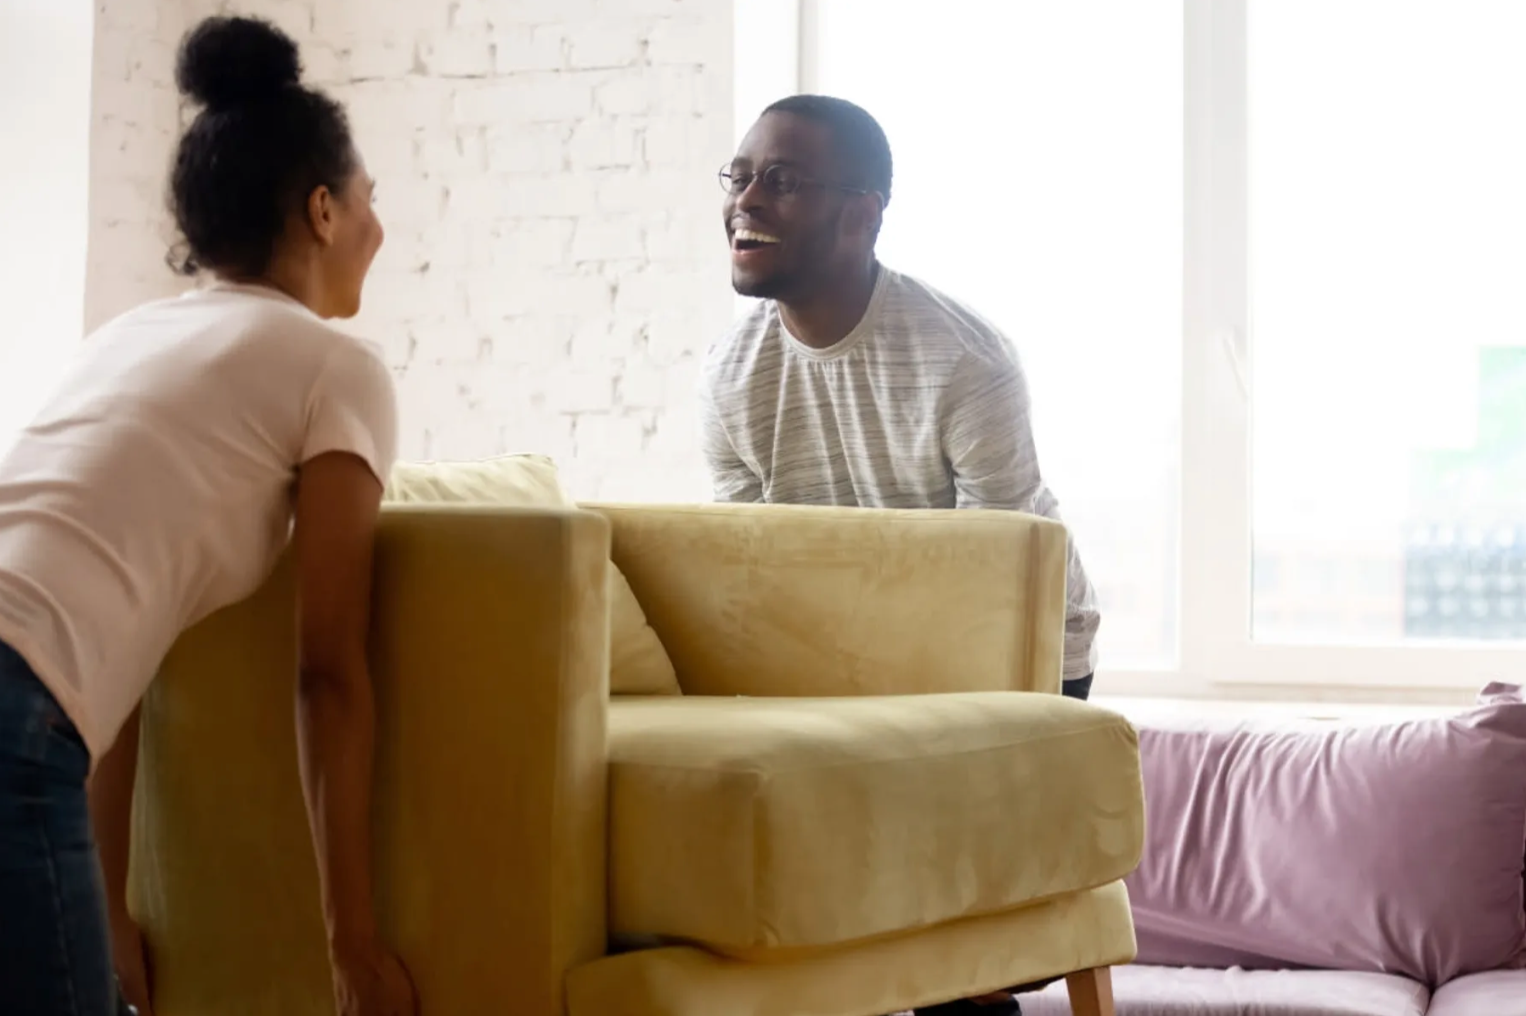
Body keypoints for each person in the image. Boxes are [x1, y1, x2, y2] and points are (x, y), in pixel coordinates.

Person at [0, 16, 416, 1016]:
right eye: (369, 200)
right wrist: (352, 945)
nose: (378, 229)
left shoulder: (129, 338)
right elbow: (327, 670)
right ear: (322, 210)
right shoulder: (336, 369)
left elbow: (117, 656)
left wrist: (109, 908)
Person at [699, 94, 1102, 1015]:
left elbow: (998, 589)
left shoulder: (966, 359)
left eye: (782, 180)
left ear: (863, 212)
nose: (746, 200)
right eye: (740, 176)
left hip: (1025, 652)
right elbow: (752, 578)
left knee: (966, 954)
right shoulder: (729, 378)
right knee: (848, 929)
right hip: (851, 662)